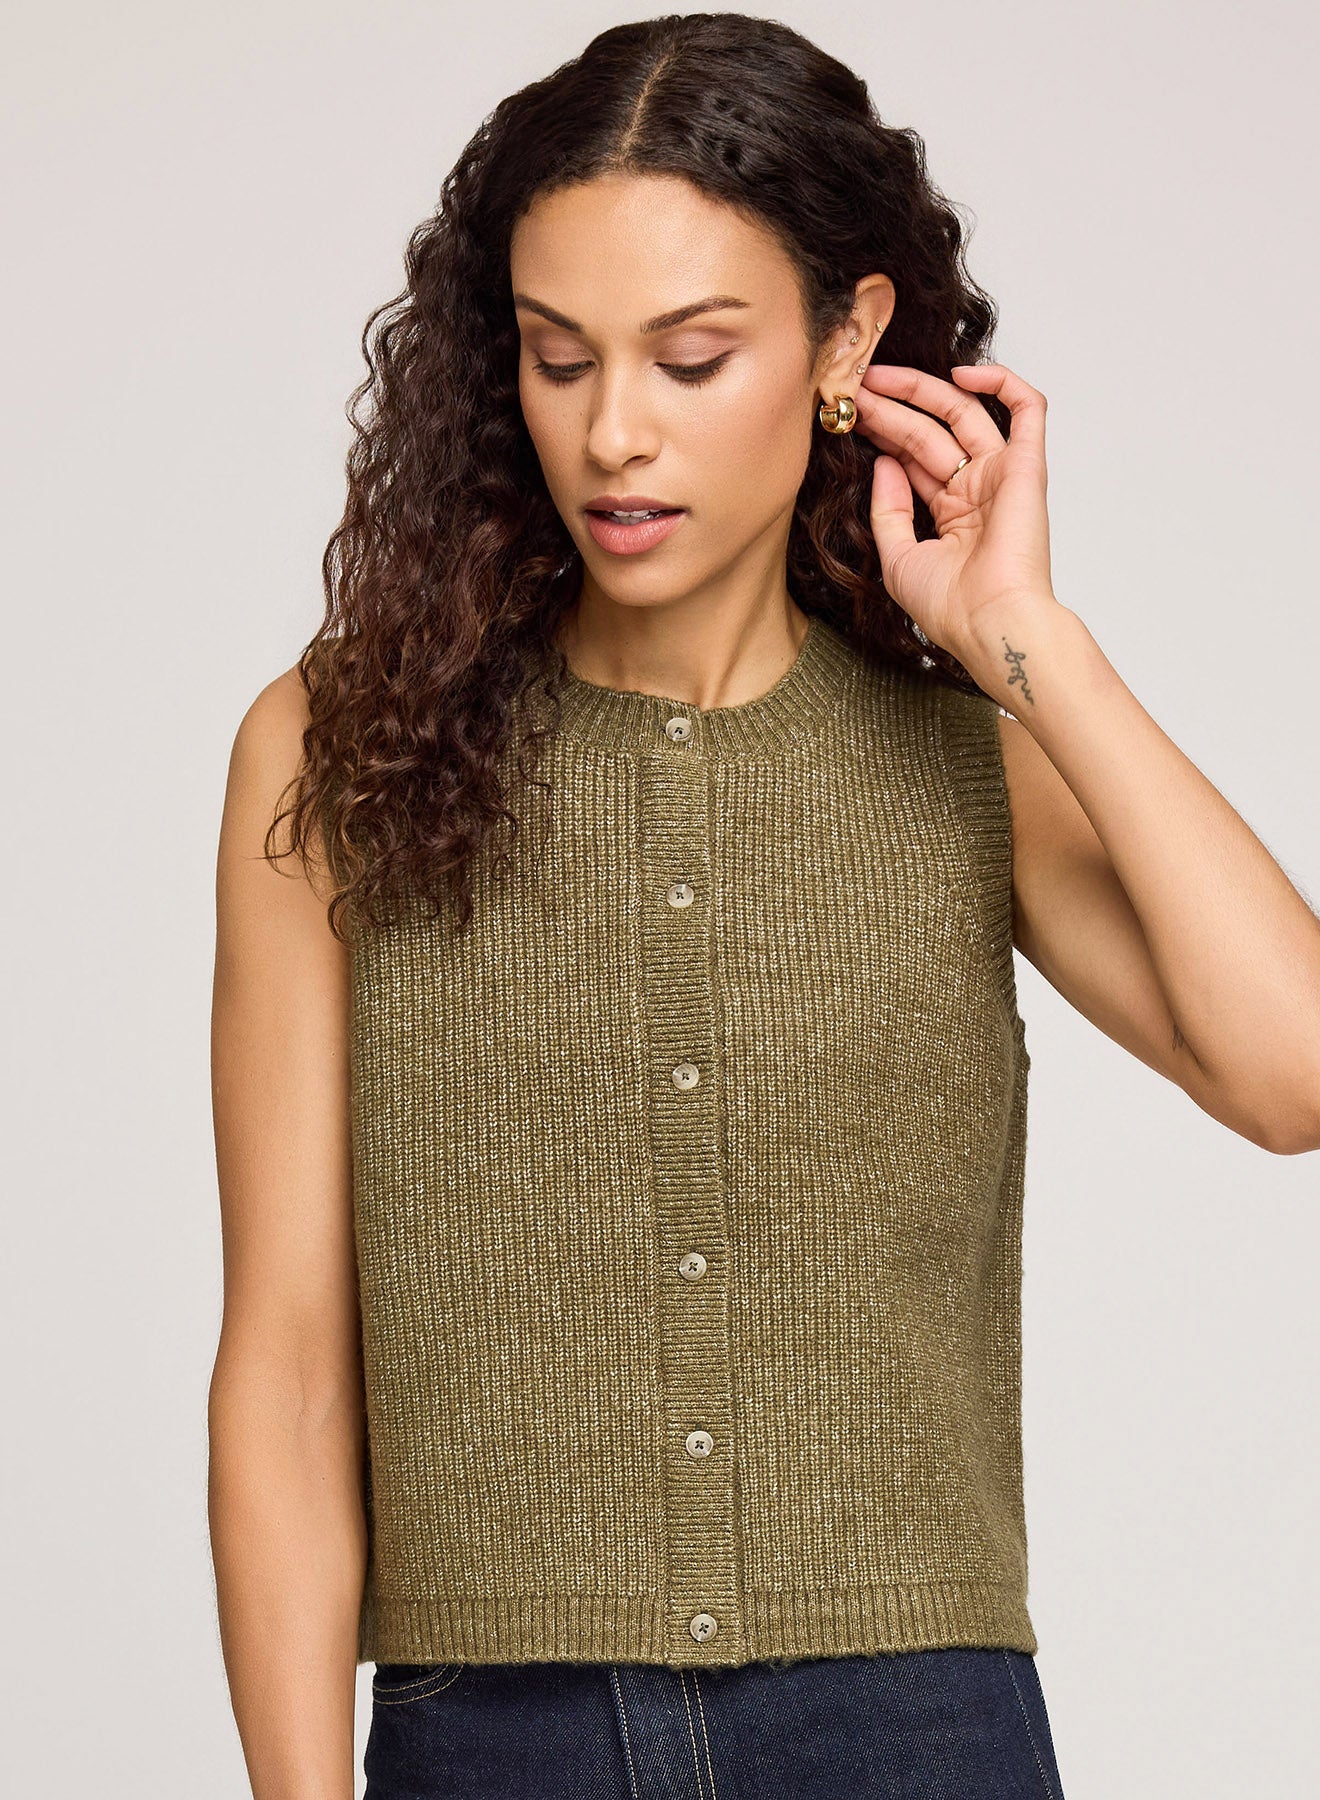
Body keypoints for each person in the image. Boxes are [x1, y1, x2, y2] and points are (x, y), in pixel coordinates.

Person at [207, 14, 1320, 1800]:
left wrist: (1033, 645)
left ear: (846, 342)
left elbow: (1293, 1072)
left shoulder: (970, 755)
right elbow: (286, 1368)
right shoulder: (338, 750)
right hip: (490, 1737)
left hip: (912, 1727)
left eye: (692, 357)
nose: (614, 434)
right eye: (558, 358)